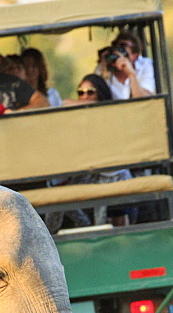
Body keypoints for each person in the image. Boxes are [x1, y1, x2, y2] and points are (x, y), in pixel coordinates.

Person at [46, 74, 132, 231]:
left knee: (107, 200)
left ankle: (104, 238)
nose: (85, 96)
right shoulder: (78, 122)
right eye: (81, 93)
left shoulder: (110, 115)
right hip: (89, 174)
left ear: (100, 94)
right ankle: (51, 239)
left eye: (90, 92)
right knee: (57, 197)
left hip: (113, 174)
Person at [96, 31, 154, 100]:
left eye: (123, 48)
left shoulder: (145, 65)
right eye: (115, 46)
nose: (117, 52)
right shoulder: (103, 67)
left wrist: (132, 74)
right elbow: (94, 99)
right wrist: (104, 75)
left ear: (134, 56)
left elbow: (144, 100)